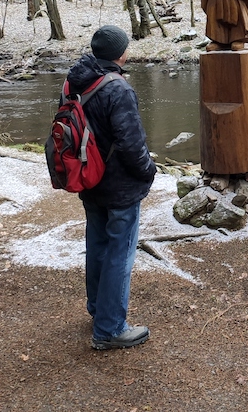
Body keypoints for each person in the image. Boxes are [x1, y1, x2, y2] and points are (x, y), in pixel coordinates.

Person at [64, 25, 157, 350]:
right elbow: (132, 145)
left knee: (99, 245)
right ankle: (110, 328)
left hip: (89, 180)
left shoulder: (75, 82)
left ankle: (98, 309)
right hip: (119, 187)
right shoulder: (118, 89)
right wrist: (149, 171)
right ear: (120, 53)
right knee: (120, 252)